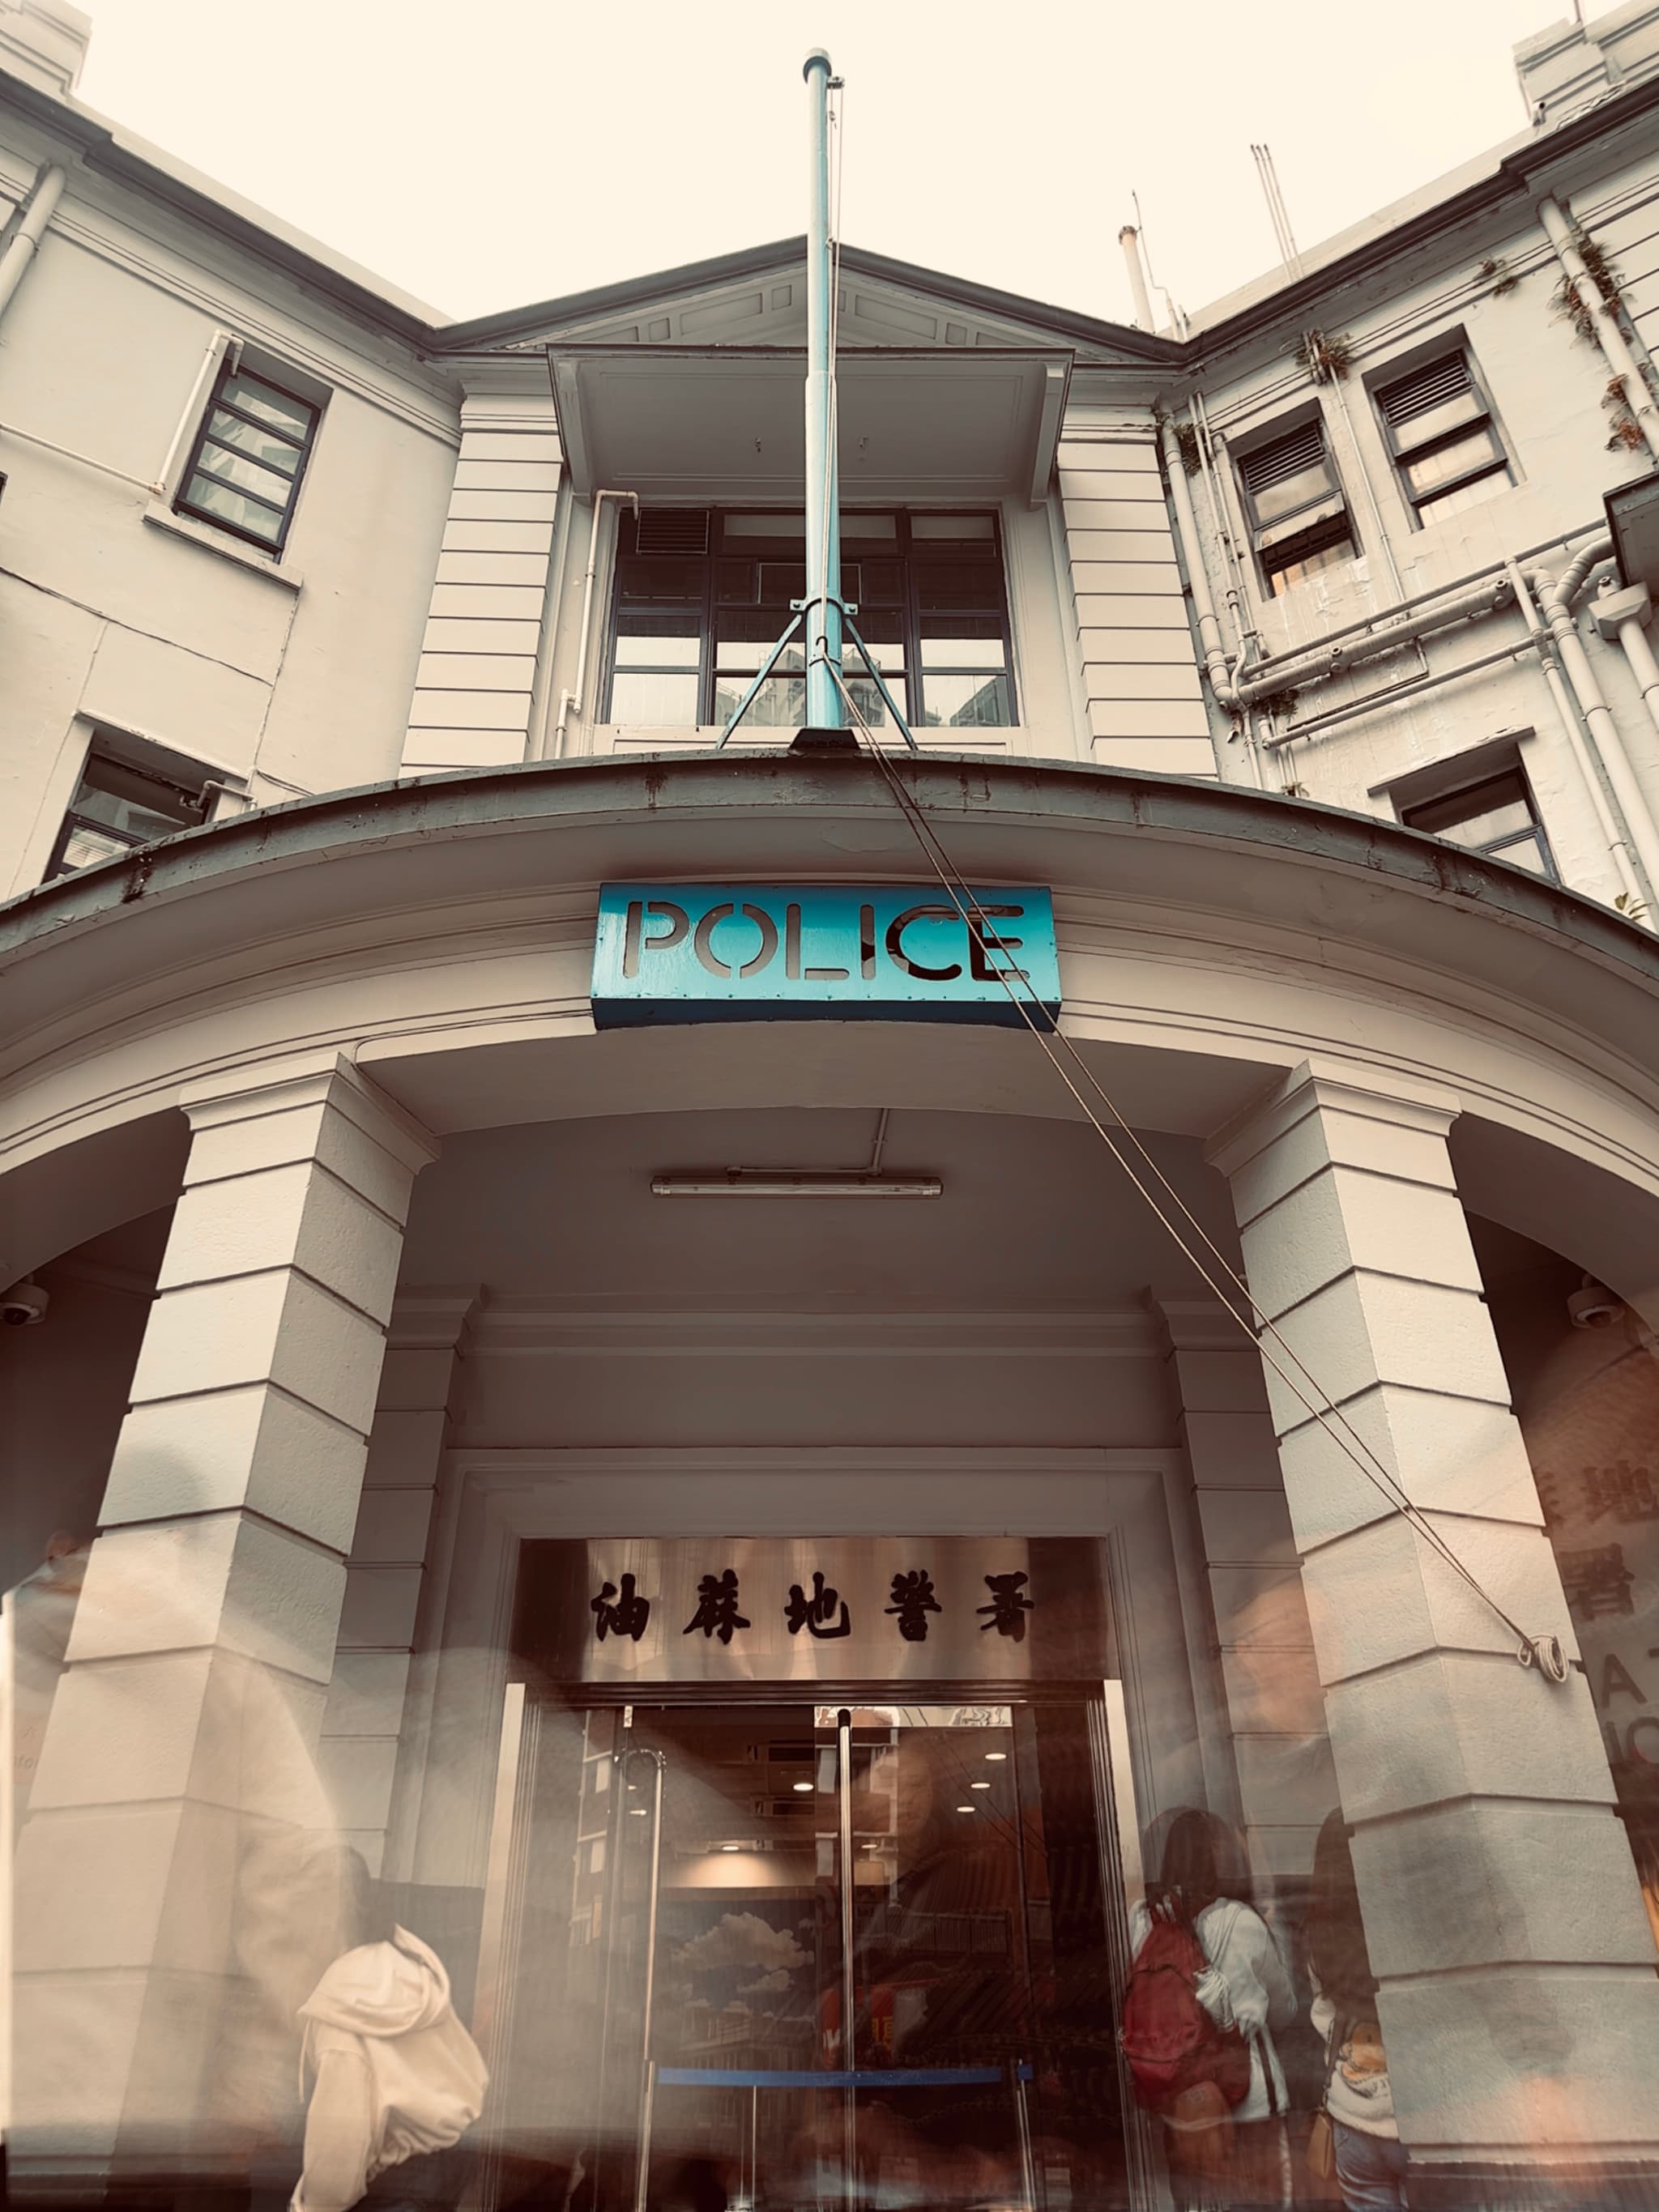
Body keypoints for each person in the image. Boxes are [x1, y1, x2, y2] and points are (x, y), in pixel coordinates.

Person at [291, 1850, 488, 2212]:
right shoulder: (402, 1966)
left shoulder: (343, 2007)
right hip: (446, 2166)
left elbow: (336, 2167)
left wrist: (305, 2206)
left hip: (393, 2187)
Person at [1129, 1809, 1297, 2210]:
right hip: (1251, 2103)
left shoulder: (1144, 1924)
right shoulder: (1241, 1921)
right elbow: (1285, 2011)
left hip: (1183, 2108)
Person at [1307, 1812, 1404, 2212]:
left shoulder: (1319, 1934)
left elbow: (1323, 2017)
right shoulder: (1398, 1924)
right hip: (1412, 2118)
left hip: (1351, 2119)